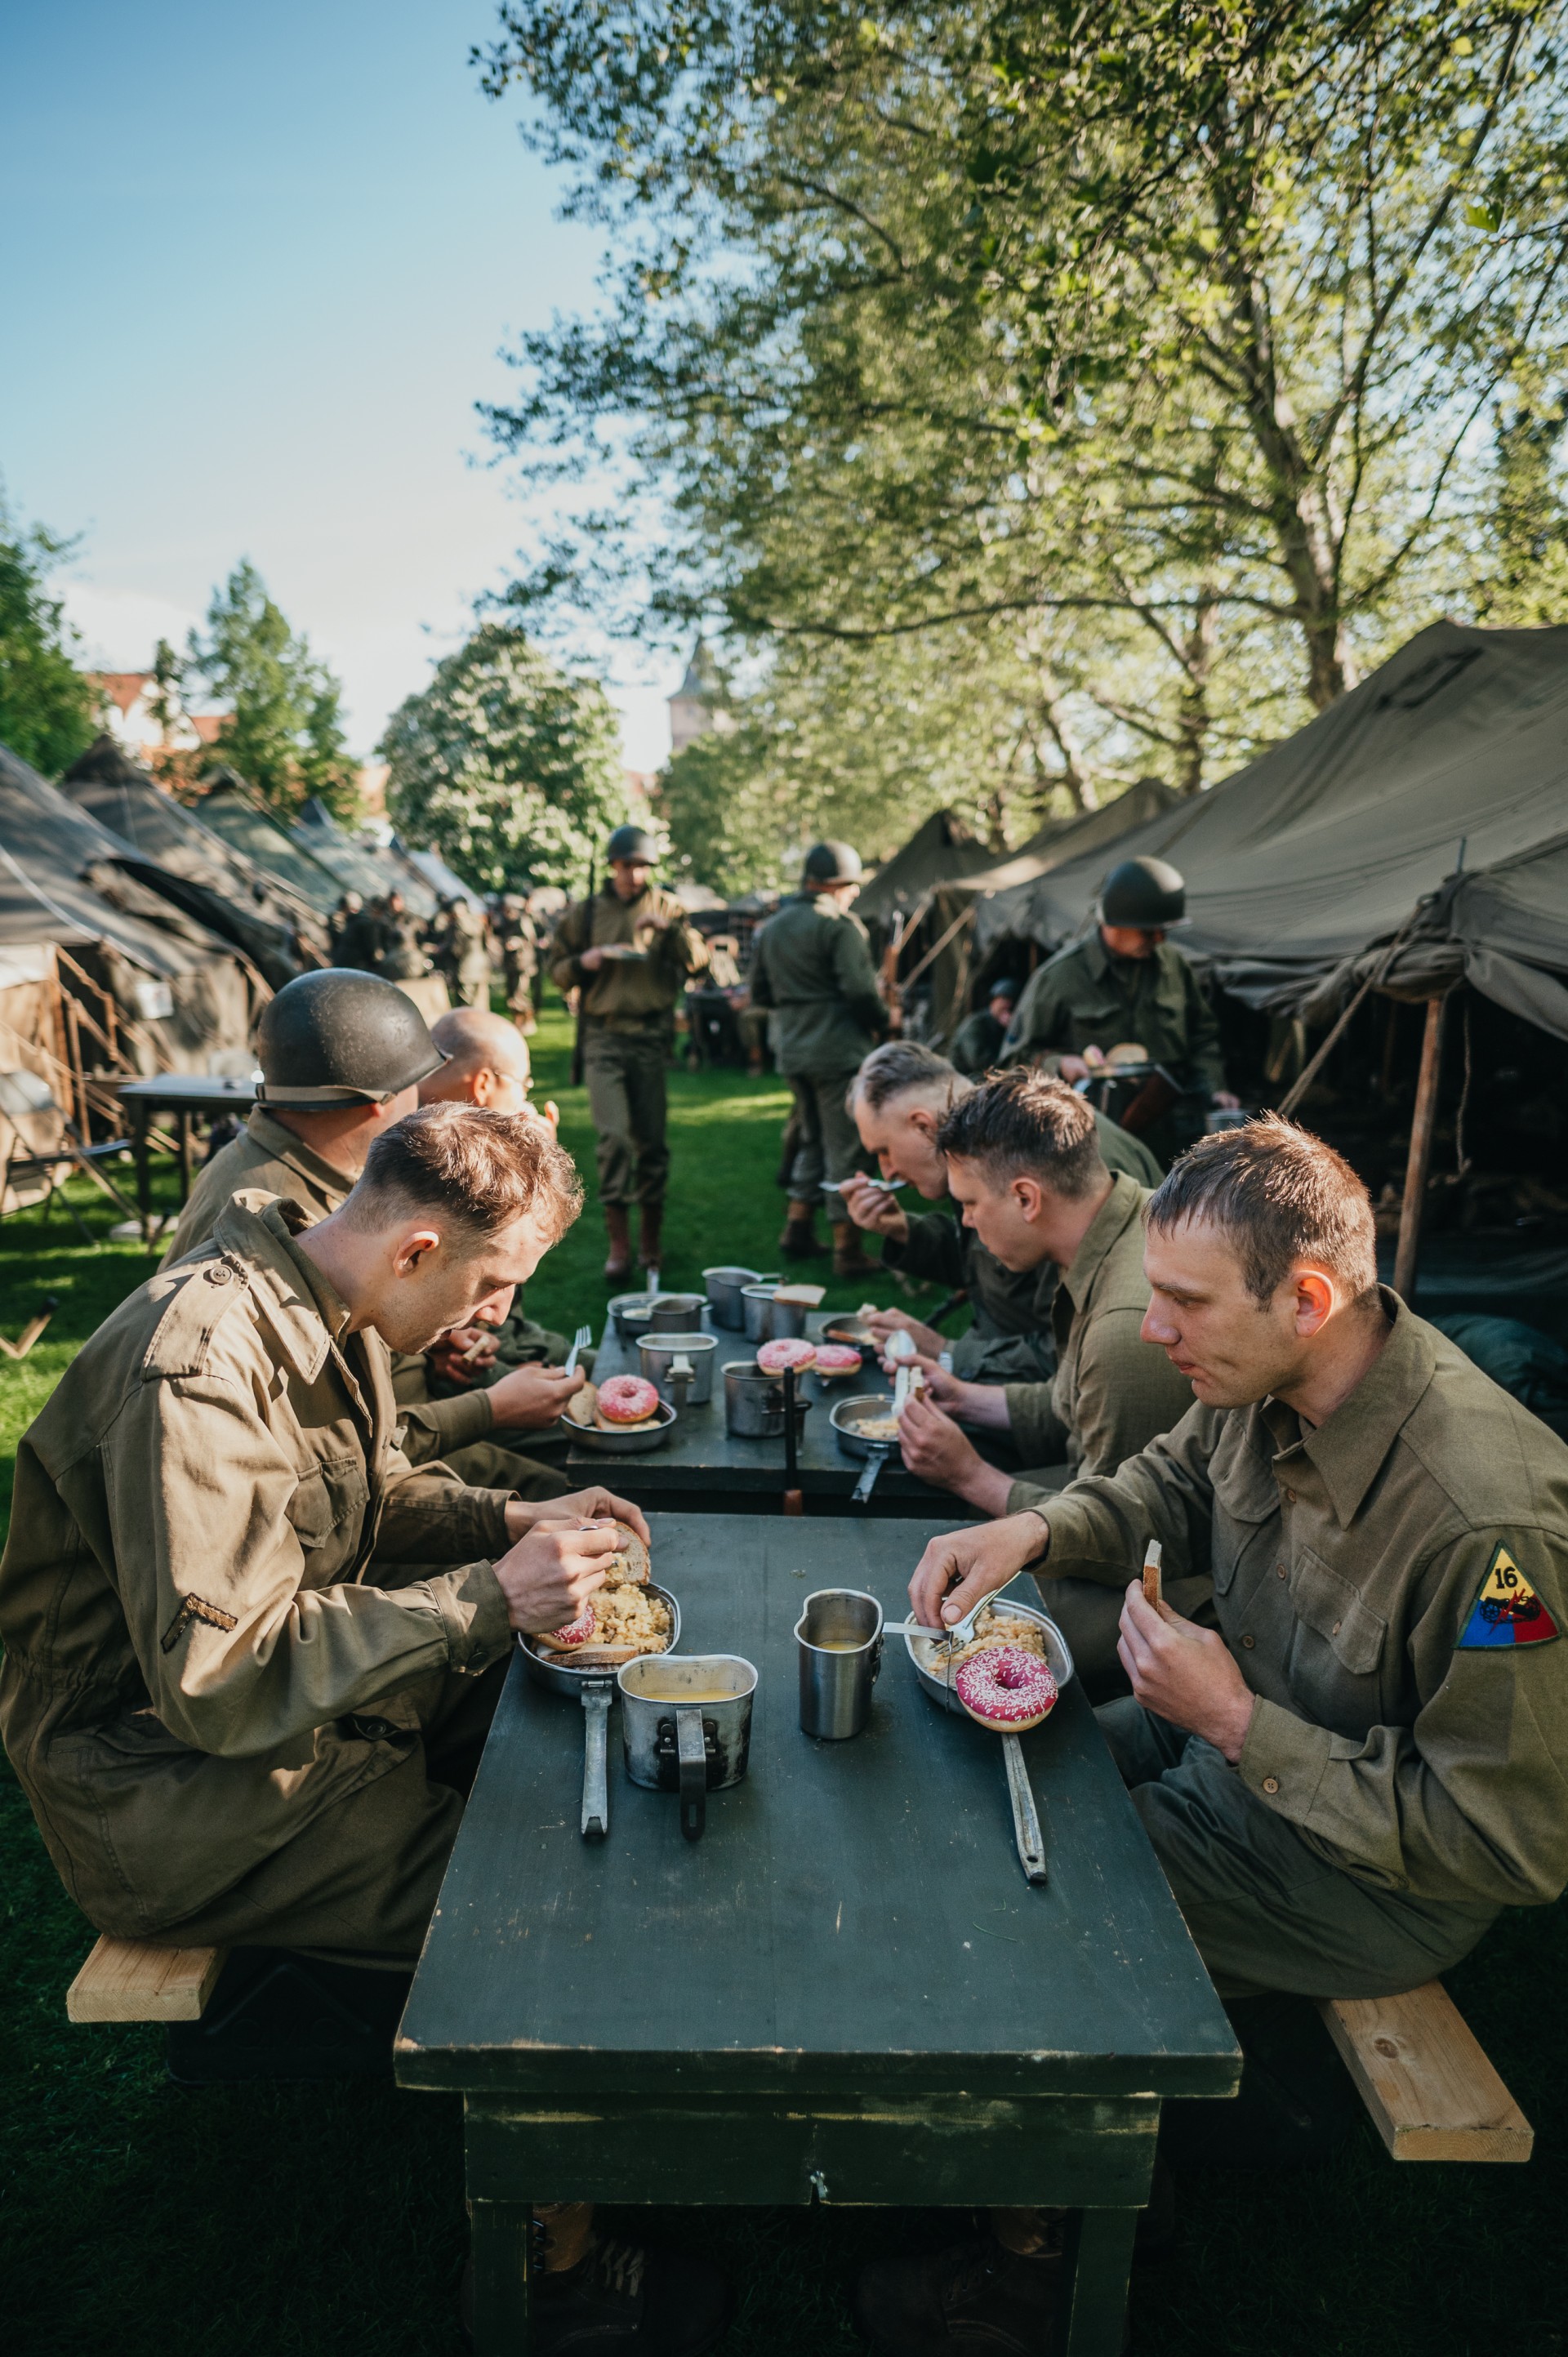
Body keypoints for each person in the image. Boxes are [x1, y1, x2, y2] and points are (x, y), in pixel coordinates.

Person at [0, 1102, 727, 2352]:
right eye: (489, 1284)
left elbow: (366, 1494)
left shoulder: (317, 1291)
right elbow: (222, 1680)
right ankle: (546, 2274)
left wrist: (508, 1522)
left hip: (271, 1731)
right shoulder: (199, 1371)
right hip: (171, 1797)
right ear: (415, 1248)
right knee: (551, 1911)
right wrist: (488, 1597)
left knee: (550, 1730)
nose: (493, 1313)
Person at [866, 1115, 1568, 2350]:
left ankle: (1042, 2259)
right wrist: (1034, 1528)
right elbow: (1171, 1484)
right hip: (1225, 1755)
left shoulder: (1491, 1528)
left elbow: (1508, 1842)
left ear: (1307, 1298)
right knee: (986, 1788)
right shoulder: (1271, 1375)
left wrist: (1241, 1724)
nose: (1152, 1327)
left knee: (1035, 1914)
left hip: (1367, 1869)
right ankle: (1119, 2150)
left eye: (1185, 1301)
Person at [163, 973, 577, 1502]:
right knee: (572, 1487)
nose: (424, 1097)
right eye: (418, 1083)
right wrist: (487, 1410)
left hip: (401, 1419)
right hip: (376, 1458)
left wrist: (439, 1337)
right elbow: (331, 1448)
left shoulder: (310, 1169)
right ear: (382, 1100)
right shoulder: (278, 1210)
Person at [889, 1067, 1202, 1694]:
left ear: (1026, 1198)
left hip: (1181, 1585)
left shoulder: (1125, 1327)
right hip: (1127, 1514)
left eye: (970, 1204)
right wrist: (966, 1398)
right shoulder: (1118, 1227)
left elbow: (1118, 1535)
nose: (966, 1223)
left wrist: (969, 1476)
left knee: (963, 1620)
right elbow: (1073, 1403)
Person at [841, 1041, 1160, 1383]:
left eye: (884, 1151)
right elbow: (993, 1268)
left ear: (923, 1126)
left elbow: (1076, 1354)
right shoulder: (983, 1144)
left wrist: (948, 1353)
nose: (886, 1171)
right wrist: (904, 1231)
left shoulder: (1043, 1161)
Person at [548, 824, 710, 1283]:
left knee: (652, 1143)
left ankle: (651, 1242)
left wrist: (669, 930)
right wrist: (584, 962)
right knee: (614, 1139)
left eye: (642, 866)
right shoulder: (585, 913)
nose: (634, 875)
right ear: (612, 866)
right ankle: (619, 1245)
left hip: (651, 1038)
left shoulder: (667, 906)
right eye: (627, 865)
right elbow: (556, 971)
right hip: (604, 1036)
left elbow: (698, 961)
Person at [1001, 855, 1241, 1163]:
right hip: (1093, 1140)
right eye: (1149, 931)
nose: (1160, 939)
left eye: (1164, 930)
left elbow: (1202, 1036)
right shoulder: (1059, 977)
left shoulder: (1173, 967)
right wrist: (1059, 1063)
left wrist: (1216, 1087)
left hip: (1173, 1134)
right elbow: (1012, 1061)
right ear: (1113, 923)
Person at [748, 840, 886, 1277]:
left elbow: (759, 993)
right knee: (845, 1147)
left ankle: (797, 1228)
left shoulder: (771, 928)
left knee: (811, 1139)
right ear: (835, 885)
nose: (855, 893)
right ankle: (848, 1251)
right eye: (851, 885)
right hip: (837, 1051)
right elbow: (860, 991)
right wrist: (883, 1021)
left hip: (792, 1050)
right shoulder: (840, 926)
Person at [949, 975, 1019, 1076]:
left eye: (1012, 1001)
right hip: (966, 1076)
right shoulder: (975, 1024)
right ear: (993, 1001)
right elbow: (978, 1062)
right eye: (1004, 999)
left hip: (992, 1074)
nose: (1008, 1004)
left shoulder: (1007, 1027)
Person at [435, 893, 493, 1009]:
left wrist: (441, 949)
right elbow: (486, 941)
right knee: (481, 1002)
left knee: (465, 1007)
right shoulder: (477, 921)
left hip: (465, 969)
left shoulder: (458, 925)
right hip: (481, 966)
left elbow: (456, 950)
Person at [497, 892, 539, 1033]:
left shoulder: (522, 920)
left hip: (523, 964)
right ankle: (518, 1022)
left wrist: (517, 942)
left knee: (520, 995)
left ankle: (528, 1023)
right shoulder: (506, 921)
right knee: (512, 996)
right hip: (511, 964)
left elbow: (530, 939)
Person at [373, 890, 430, 983]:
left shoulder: (410, 918)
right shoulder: (386, 917)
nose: (394, 904)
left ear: (401, 901)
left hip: (406, 956)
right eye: (391, 901)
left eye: (397, 900)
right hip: (391, 956)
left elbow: (408, 934)